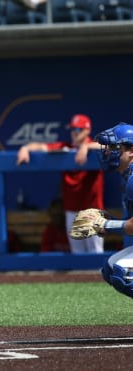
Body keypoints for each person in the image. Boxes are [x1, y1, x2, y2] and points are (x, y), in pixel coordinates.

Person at [16, 114, 104, 253]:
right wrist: (25, 148)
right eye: (72, 129)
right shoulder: (66, 146)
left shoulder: (95, 146)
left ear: (87, 131)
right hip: (71, 210)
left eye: (78, 130)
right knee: (78, 256)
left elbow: (107, 146)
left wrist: (86, 146)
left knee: (96, 254)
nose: (74, 133)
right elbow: (40, 146)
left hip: (91, 210)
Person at [69, 122, 133, 299]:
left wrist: (106, 224)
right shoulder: (127, 175)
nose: (106, 152)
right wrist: (108, 224)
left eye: (114, 147)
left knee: (124, 274)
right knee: (110, 268)